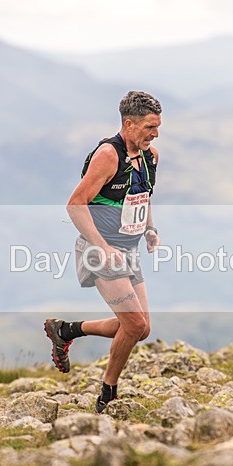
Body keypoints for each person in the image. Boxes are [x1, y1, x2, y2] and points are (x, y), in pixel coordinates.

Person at [45, 90, 162, 414]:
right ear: (129, 124)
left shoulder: (150, 156)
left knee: (141, 328)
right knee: (134, 326)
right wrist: (101, 245)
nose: (155, 134)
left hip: (128, 249)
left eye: (158, 127)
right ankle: (108, 393)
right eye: (150, 127)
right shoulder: (109, 156)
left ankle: (66, 330)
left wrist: (150, 228)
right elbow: (75, 205)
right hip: (99, 251)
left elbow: (143, 196)